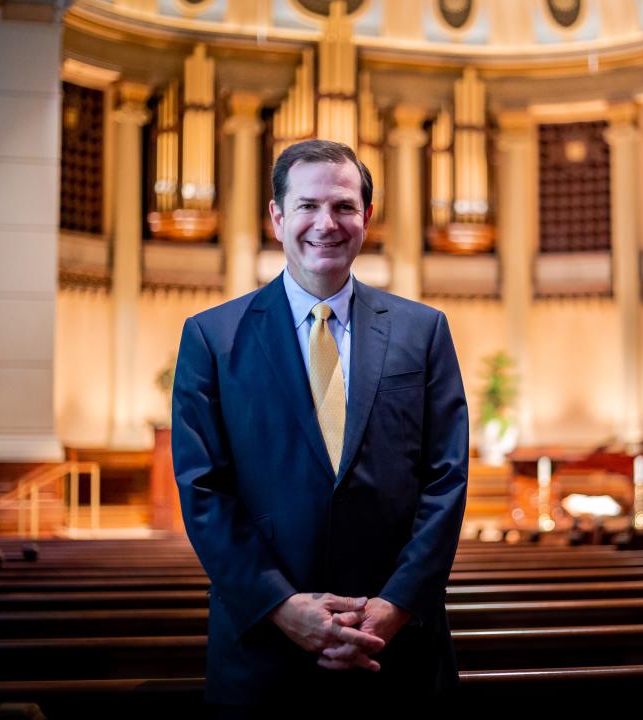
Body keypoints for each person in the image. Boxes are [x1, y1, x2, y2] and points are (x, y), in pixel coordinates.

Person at [172, 139, 468, 716]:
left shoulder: (423, 331)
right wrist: (282, 606)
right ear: (277, 217)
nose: (325, 224)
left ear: (367, 217)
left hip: (397, 649)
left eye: (343, 206)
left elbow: (446, 480)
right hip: (264, 651)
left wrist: (397, 604)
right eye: (307, 206)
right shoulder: (212, 336)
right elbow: (203, 490)